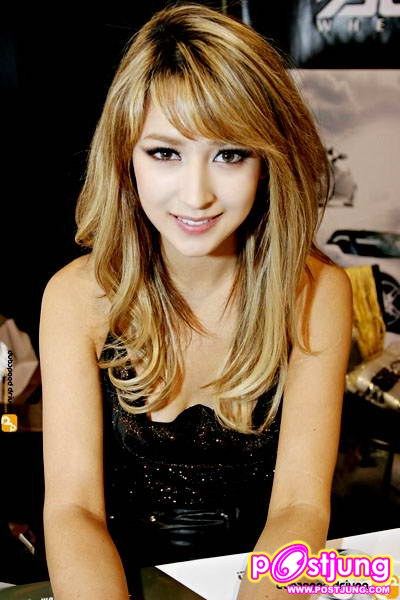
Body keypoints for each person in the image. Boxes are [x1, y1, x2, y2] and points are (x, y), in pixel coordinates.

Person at [39, 3, 353, 600]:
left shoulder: (316, 293)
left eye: (230, 154)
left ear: (269, 162)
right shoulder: (77, 297)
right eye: (165, 153)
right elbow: (73, 509)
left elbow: (300, 508)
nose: (196, 194)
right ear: (125, 156)